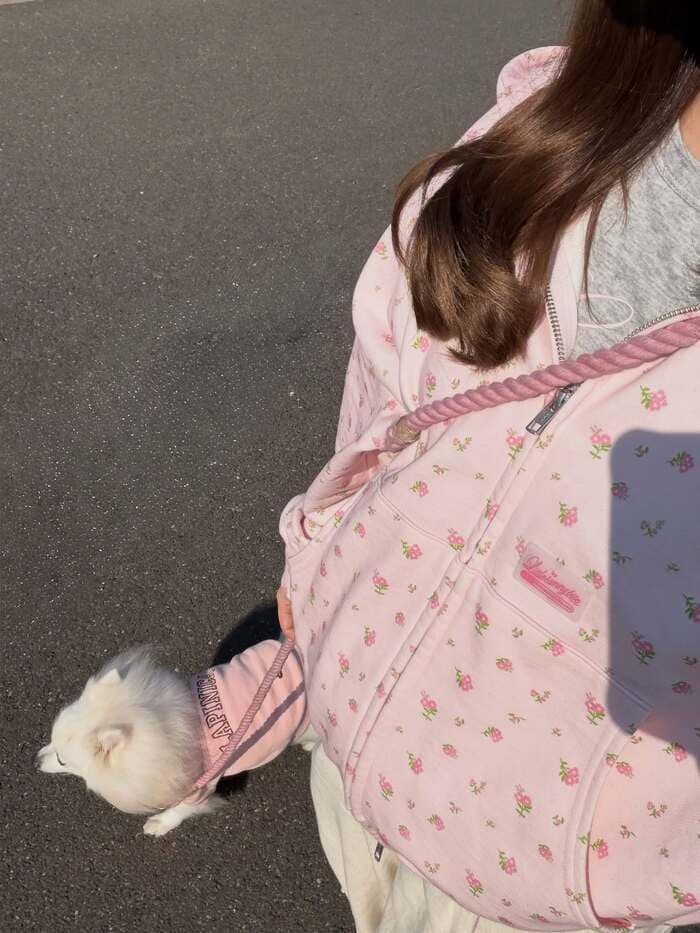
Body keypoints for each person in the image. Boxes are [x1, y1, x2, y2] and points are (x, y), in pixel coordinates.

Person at [277, 2, 700, 931]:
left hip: (565, 891)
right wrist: (319, 539)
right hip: (364, 767)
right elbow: (386, 389)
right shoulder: (537, 132)